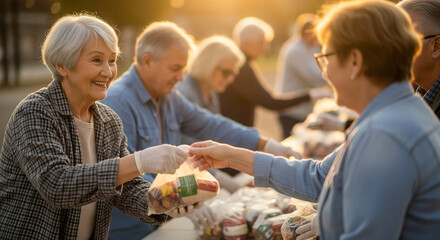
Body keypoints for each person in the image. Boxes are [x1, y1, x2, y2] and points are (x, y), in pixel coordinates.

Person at [189, 1, 440, 239]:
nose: (325, 71)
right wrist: (231, 156)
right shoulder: (390, 115)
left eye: (326, 57)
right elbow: (320, 176)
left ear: (355, 61)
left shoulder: (385, 134)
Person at [0, 14, 197, 240]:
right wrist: (140, 161)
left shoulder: (108, 120)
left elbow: (128, 188)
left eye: (112, 60)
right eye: (96, 60)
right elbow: (57, 184)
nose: (108, 71)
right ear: (62, 65)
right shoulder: (35, 112)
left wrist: (165, 201)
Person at [101, 21, 301, 239]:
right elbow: (127, 174)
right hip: (128, 230)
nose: (180, 77)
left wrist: (265, 144)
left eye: (183, 69)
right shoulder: (118, 102)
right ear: (147, 61)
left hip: (159, 222)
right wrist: (175, 198)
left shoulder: (168, 96)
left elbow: (211, 123)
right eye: (175, 69)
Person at [308, 0, 440, 133]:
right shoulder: (417, 95)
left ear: (436, 46)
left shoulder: (409, 99)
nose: (386, 52)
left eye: (406, 40)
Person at [219, 17, 329, 128]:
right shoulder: (241, 67)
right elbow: (269, 101)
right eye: (261, 43)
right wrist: (309, 95)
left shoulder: (241, 64)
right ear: (248, 44)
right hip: (234, 132)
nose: (265, 49)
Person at [176, 35, 247, 193]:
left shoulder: (210, 91)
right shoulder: (185, 93)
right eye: (226, 73)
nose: (230, 80)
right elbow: (183, 144)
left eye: (233, 74)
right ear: (208, 64)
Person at [275, 13, 329, 138]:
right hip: (291, 109)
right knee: (292, 144)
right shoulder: (295, 50)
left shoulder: (309, 47)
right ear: (308, 33)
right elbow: (312, 77)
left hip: (302, 107)